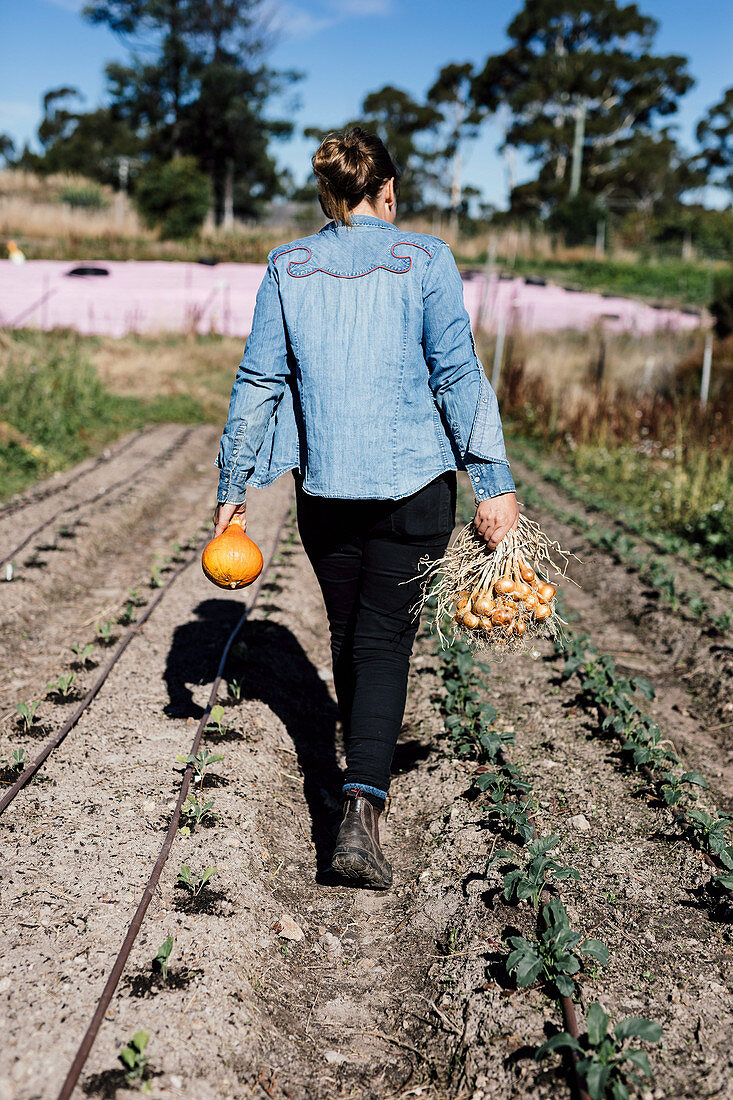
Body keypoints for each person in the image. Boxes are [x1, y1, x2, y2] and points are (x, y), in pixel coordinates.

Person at [213, 127, 518, 889]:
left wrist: (232, 488)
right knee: (383, 644)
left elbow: (258, 381)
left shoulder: (289, 265)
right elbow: (457, 377)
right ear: (389, 192)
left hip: (324, 488)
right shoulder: (426, 260)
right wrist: (492, 481)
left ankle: (359, 772)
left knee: (352, 635)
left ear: (329, 195)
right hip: (415, 488)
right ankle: (361, 807)